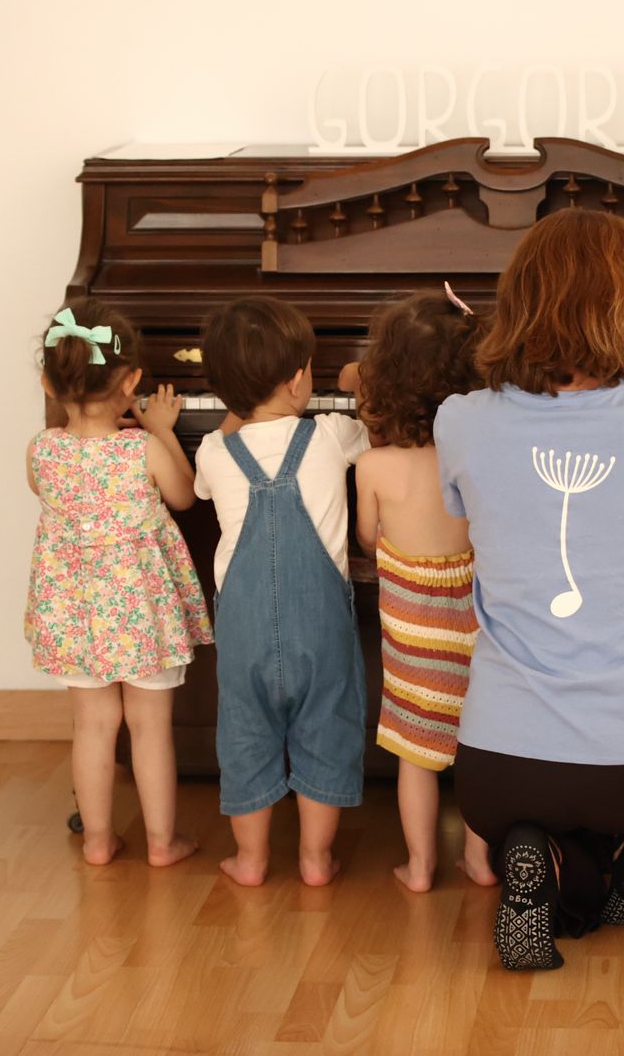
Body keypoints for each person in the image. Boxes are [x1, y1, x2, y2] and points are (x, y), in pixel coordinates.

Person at [435, 208, 624, 970]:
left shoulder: (459, 419)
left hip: (495, 767)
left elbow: (466, 514)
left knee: (542, 792)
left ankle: (542, 853)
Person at [24, 301, 212, 868]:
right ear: (132, 380)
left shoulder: (42, 449)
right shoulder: (143, 448)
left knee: (92, 725)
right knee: (150, 728)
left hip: (74, 611)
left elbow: (44, 493)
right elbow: (185, 496)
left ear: (48, 382)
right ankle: (162, 843)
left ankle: (99, 841)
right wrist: (160, 430)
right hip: (141, 611)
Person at [193, 297, 370, 888]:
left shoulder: (216, 451)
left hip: (242, 633)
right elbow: (372, 421)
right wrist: (354, 382)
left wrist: (236, 411)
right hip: (319, 629)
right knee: (325, 725)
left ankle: (251, 859)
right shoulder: (329, 435)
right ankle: (316, 860)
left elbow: (199, 480)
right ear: (299, 380)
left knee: (244, 734)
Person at [350, 287, 495, 892]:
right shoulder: (483, 455)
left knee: (416, 756)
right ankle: (483, 862)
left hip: (411, 634)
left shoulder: (374, 467)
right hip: (479, 626)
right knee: (483, 750)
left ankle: (419, 866)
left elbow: (366, 539)